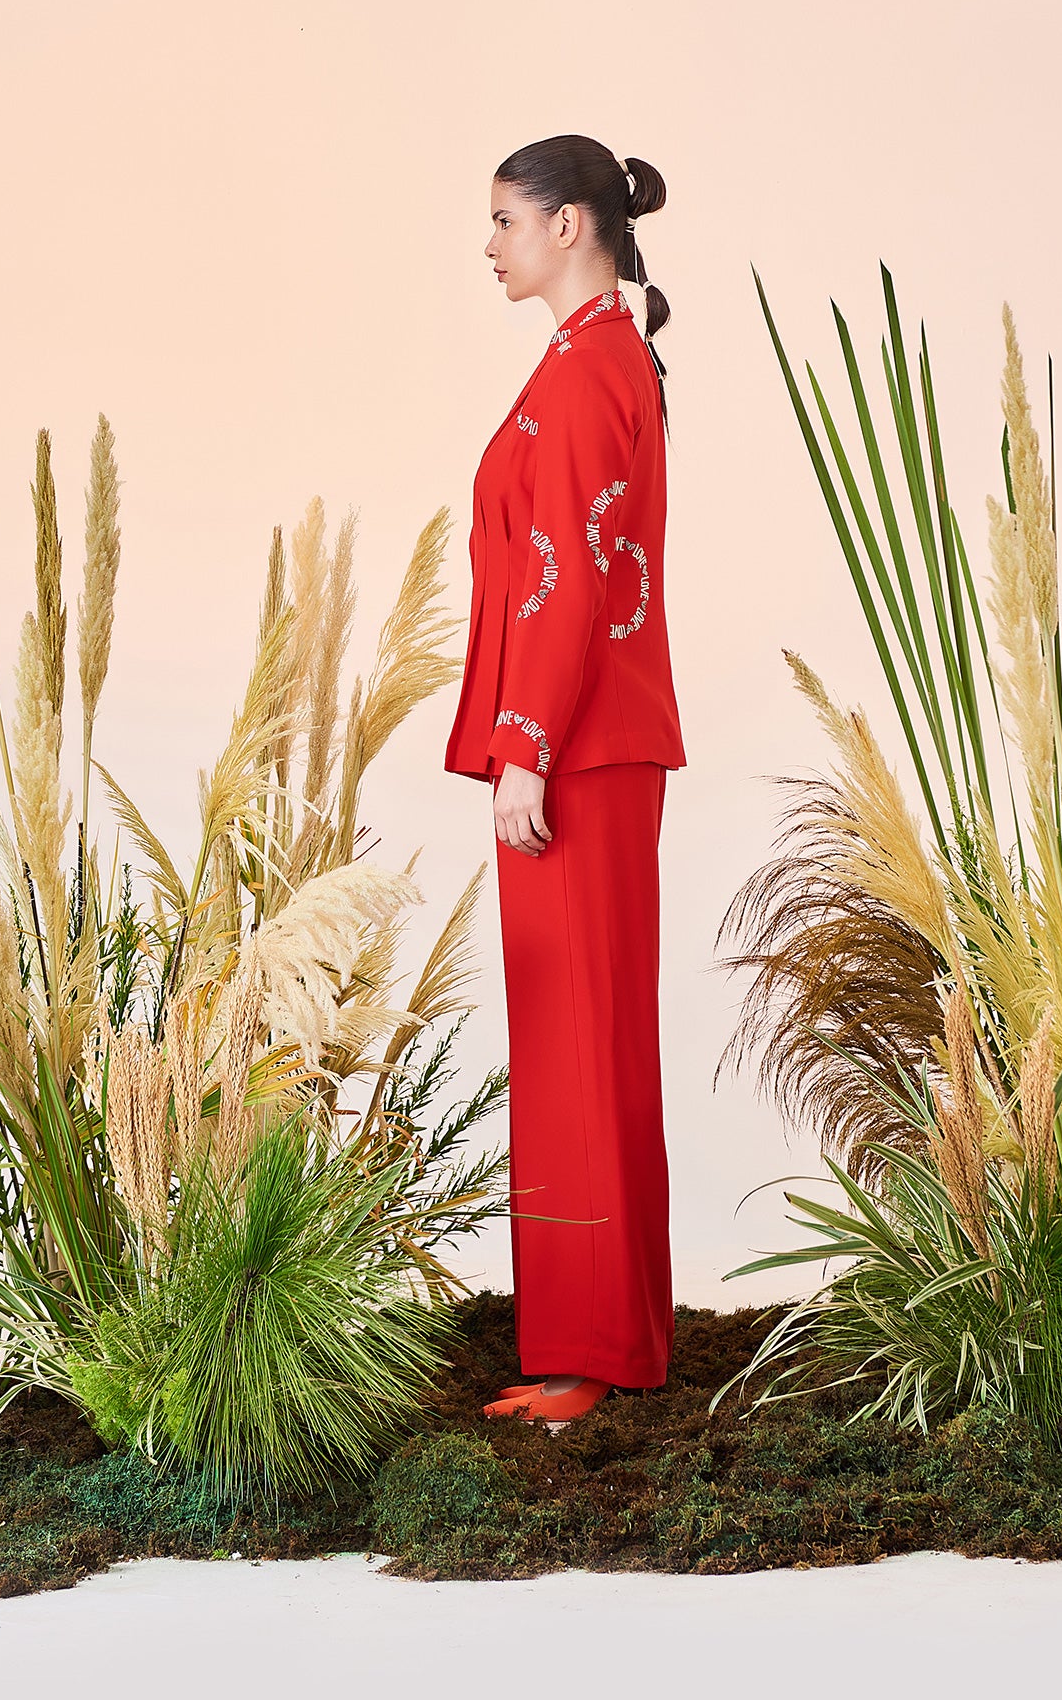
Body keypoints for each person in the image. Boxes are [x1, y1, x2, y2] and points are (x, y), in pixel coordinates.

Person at [444, 134, 686, 1425]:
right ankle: (605, 1340)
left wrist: (525, 744)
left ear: (570, 223)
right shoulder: (593, 355)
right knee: (581, 1033)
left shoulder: (593, 367)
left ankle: (591, 1357)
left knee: (580, 1037)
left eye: (505, 220)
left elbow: (574, 574)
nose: (490, 244)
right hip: (586, 741)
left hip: (576, 749)